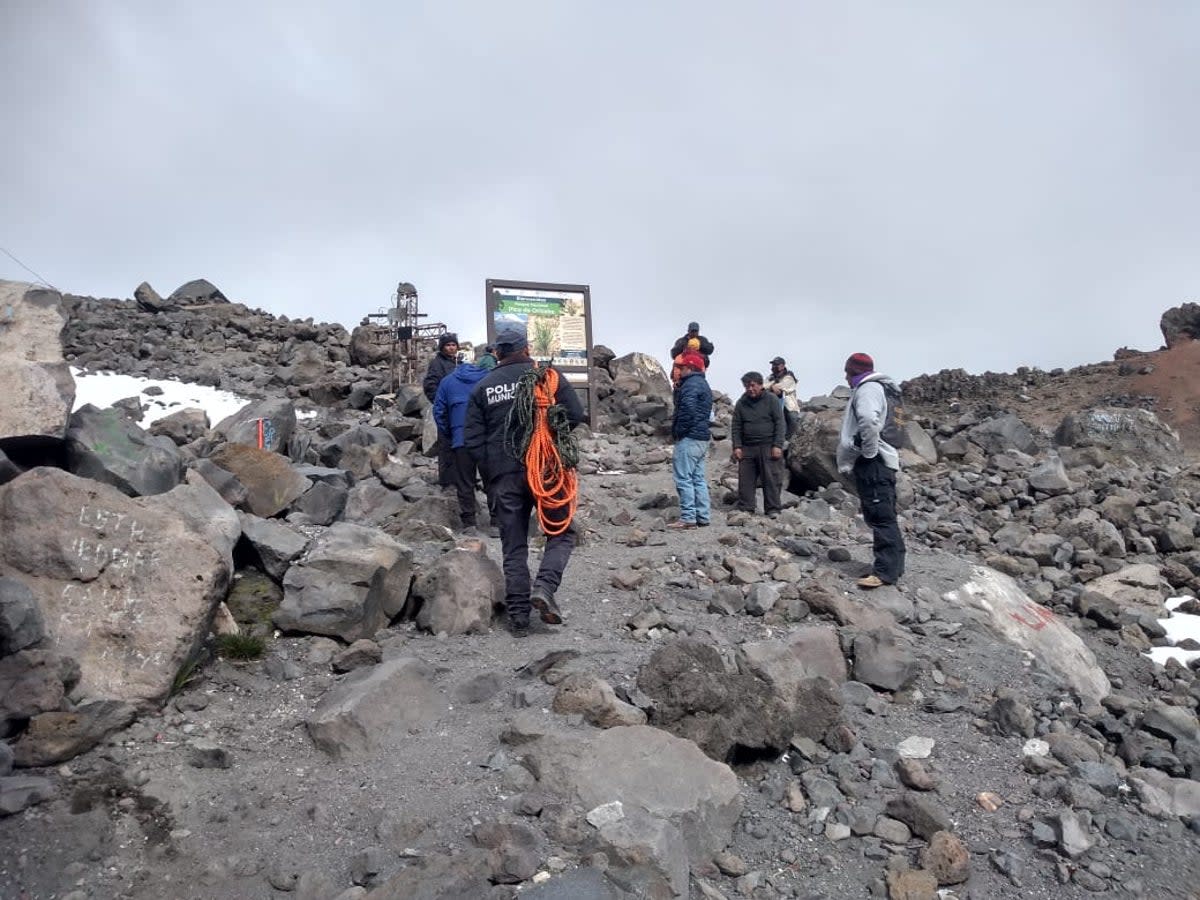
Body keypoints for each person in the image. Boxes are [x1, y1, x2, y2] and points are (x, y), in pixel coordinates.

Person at [464, 326, 585, 637]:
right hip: (546, 469)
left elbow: (473, 440)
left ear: (498, 353)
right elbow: (574, 412)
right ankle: (544, 587)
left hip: (504, 476)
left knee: (513, 544)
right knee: (562, 532)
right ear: (527, 348)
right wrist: (552, 437)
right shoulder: (548, 376)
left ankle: (519, 618)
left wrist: (492, 474)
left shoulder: (483, 388)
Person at [836, 352, 906, 589]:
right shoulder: (884, 389)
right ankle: (894, 566)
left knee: (879, 515)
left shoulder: (868, 389)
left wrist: (867, 452)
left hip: (874, 462)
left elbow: (867, 420)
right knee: (884, 513)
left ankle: (884, 572)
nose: (845, 377)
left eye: (847, 372)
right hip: (883, 461)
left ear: (853, 371)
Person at [433, 359, 490, 532]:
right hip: (486, 439)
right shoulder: (488, 378)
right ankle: (496, 522)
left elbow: (439, 411)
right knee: (492, 480)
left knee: (465, 482)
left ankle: (469, 523)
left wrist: (450, 432)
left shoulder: (447, 381)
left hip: (461, 439)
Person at [668, 351, 713, 529]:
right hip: (702, 437)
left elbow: (687, 409)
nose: (679, 371)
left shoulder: (690, 385)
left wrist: (679, 431)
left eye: (682, 367)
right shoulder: (703, 384)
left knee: (683, 478)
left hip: (689, 437)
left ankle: (688, 517)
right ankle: (703, 515)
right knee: (698, 478)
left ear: (689, 368)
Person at [731, 371, 785, 518]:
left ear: (760, 385)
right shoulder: (741, 403)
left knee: (771, 479)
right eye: (746, 386)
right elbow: (736, 426)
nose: (750, 389)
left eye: (753, 385)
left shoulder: (772, 400)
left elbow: (780, 422)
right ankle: (746, 508)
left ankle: (773, 509)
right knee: (745, 480)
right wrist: (737, 446)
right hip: (747, 447)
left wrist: (778, 445)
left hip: (768, 445)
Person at [423, 332, 460, 488]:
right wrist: (441, 404)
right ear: (442, 347)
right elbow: (430, 386)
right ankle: (446, 481)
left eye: (453, 345)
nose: (451, 348)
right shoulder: (437, 363)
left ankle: (458, 478)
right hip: (446, 411)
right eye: (448, 345)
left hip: (458, 411)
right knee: (446, 446)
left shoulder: (457, 362)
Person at [767, 356, 800, 439]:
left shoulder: (789, 376)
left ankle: (790, 440)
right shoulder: (770, 377)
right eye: (773, 365)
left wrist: (772, 387)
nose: (773, 367)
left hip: (788, 406)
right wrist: (772, 387)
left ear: (782, 366)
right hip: (774, 405)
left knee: (793, 419)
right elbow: (762, 386)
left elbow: (783, 386)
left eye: (776, 365)